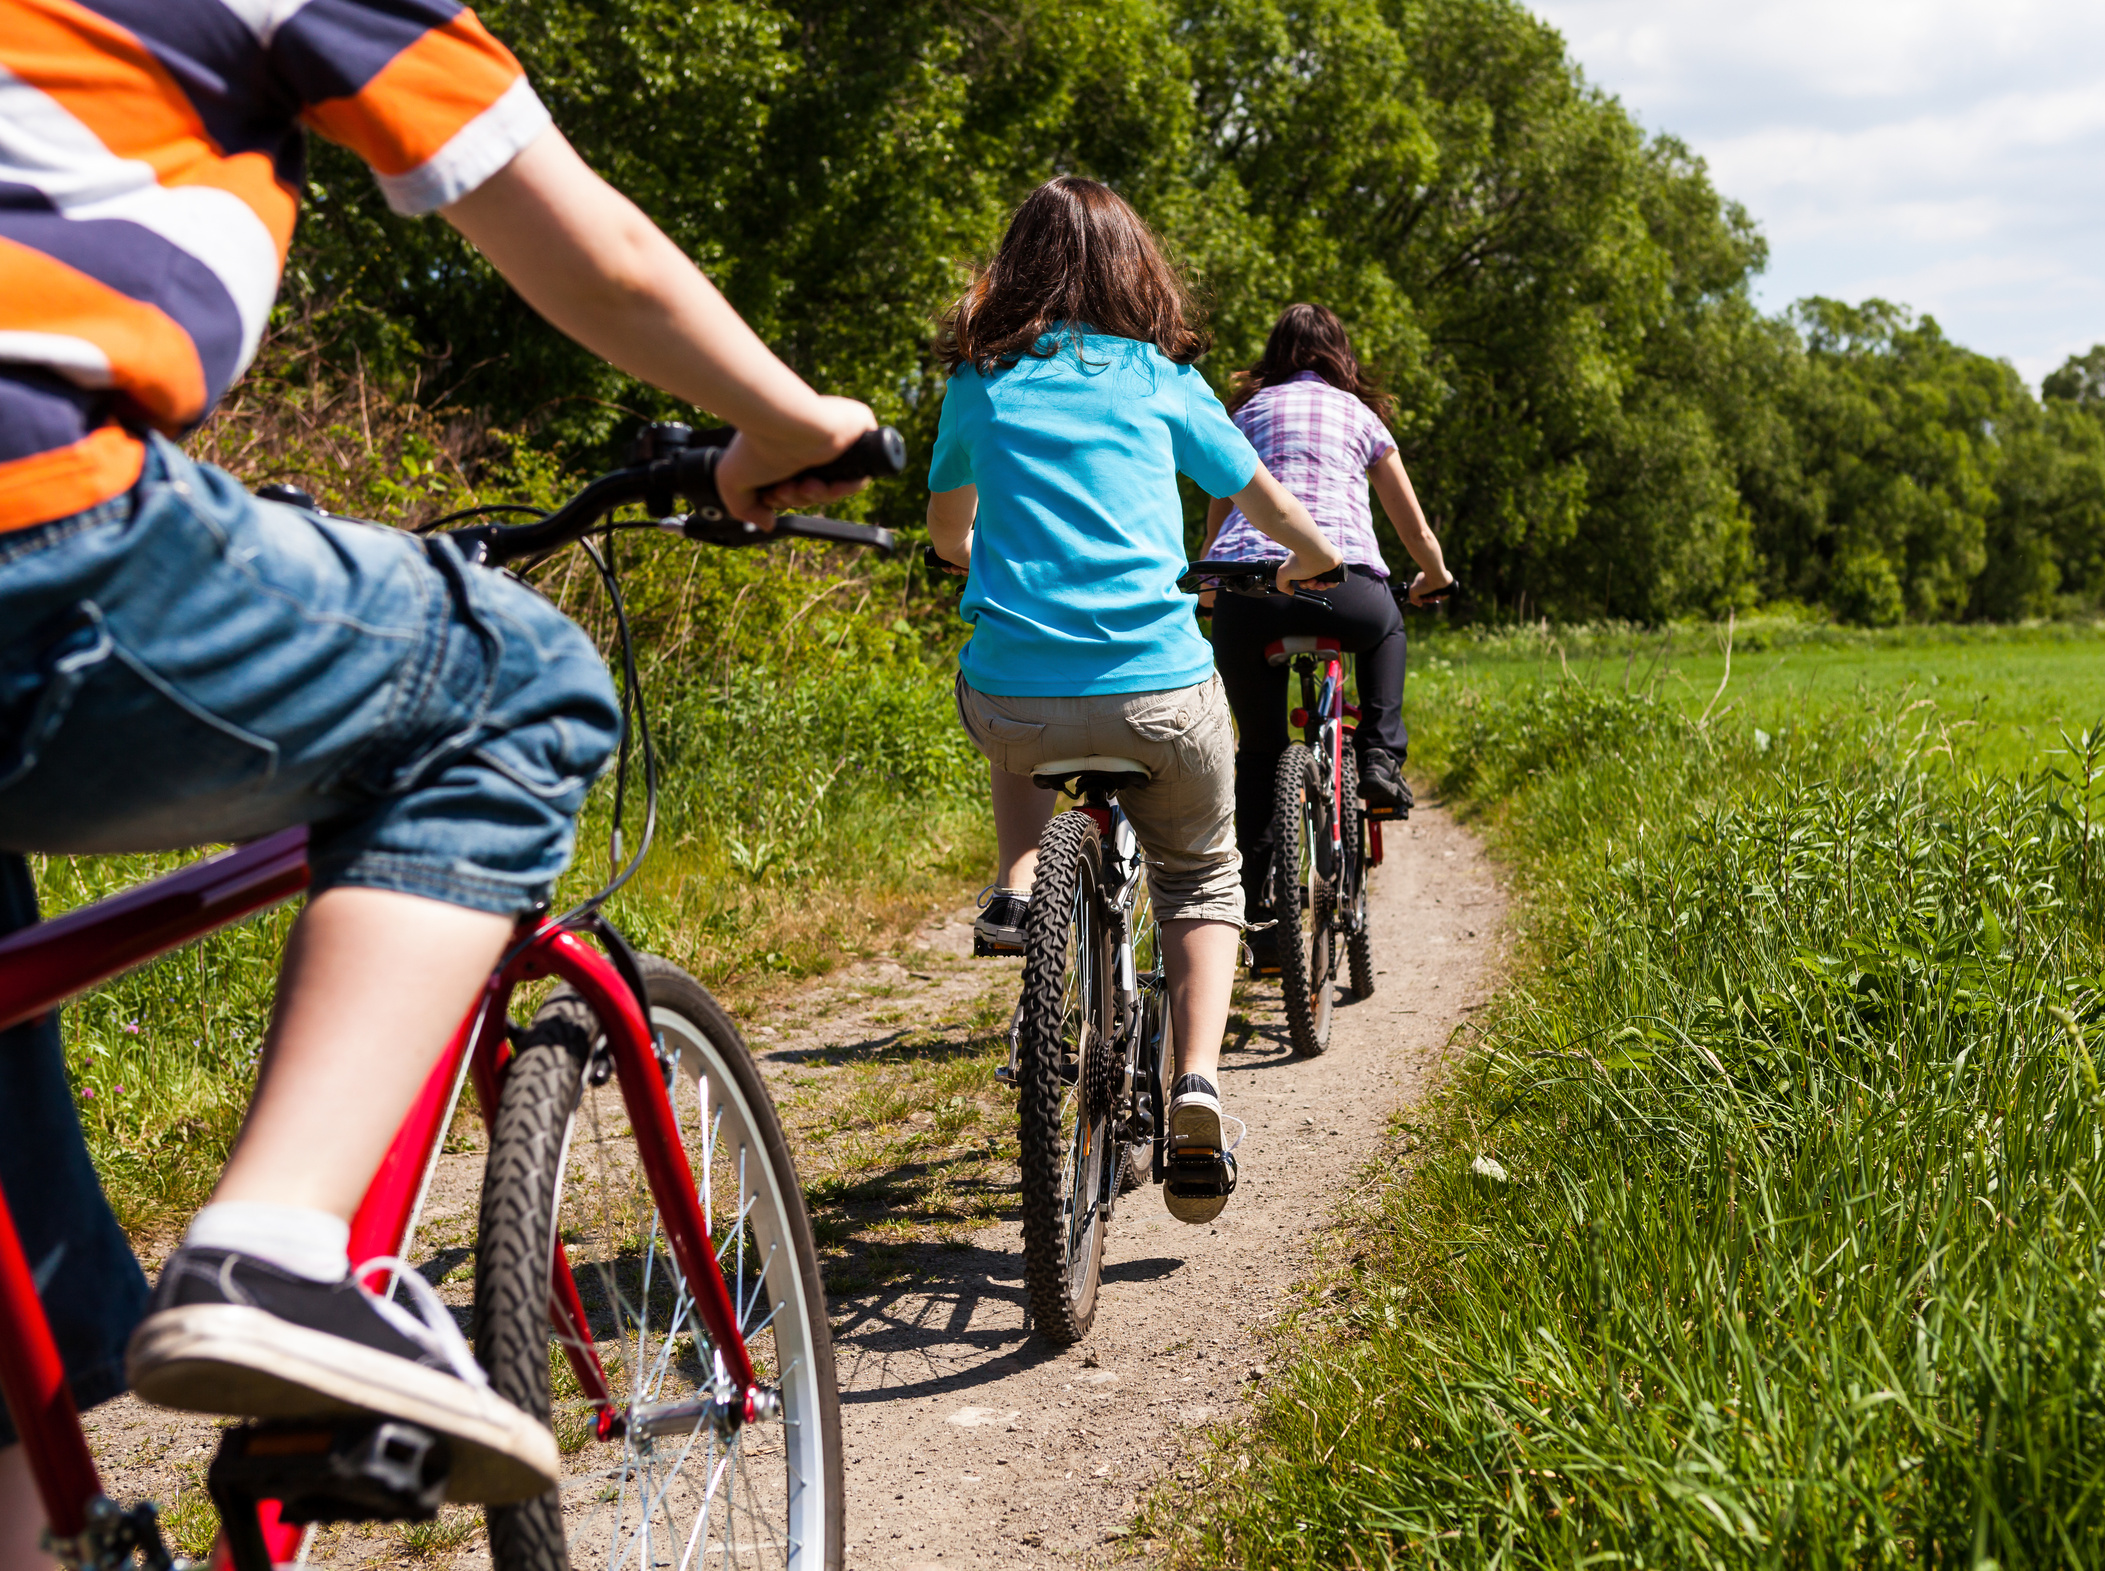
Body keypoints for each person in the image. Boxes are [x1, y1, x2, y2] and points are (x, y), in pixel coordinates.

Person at [0, 0, 876, 1545]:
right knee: (512, 684)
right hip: (34, 524)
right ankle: (276, 1249)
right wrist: (781, 420)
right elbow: (586, 244)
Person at [927, 178, 1340, 1220]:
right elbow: (1262, 498)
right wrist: (1312, 556)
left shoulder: (981, 382)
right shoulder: (1163, 379)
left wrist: (984, 559)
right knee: (1201, 875)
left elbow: (944, 534)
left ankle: (1020, 881)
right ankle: (1196, 1079)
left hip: (1019, 697)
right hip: (1158, 691)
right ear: (1133, 268)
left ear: (1014, 267)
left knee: (1006, 694)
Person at [1199, 303, 1451, 974]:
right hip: (1345, 587)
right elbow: (1412, 524)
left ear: (1274, 355)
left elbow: (1218, 517)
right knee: (1386, 625)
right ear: (1342, 356)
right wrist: (1435, 573)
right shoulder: (1361, 417)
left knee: (1258, 754)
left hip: (1249, 591)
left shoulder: (1244, 415)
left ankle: (1260, 928)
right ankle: (1377, 759)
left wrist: (1206, 591)